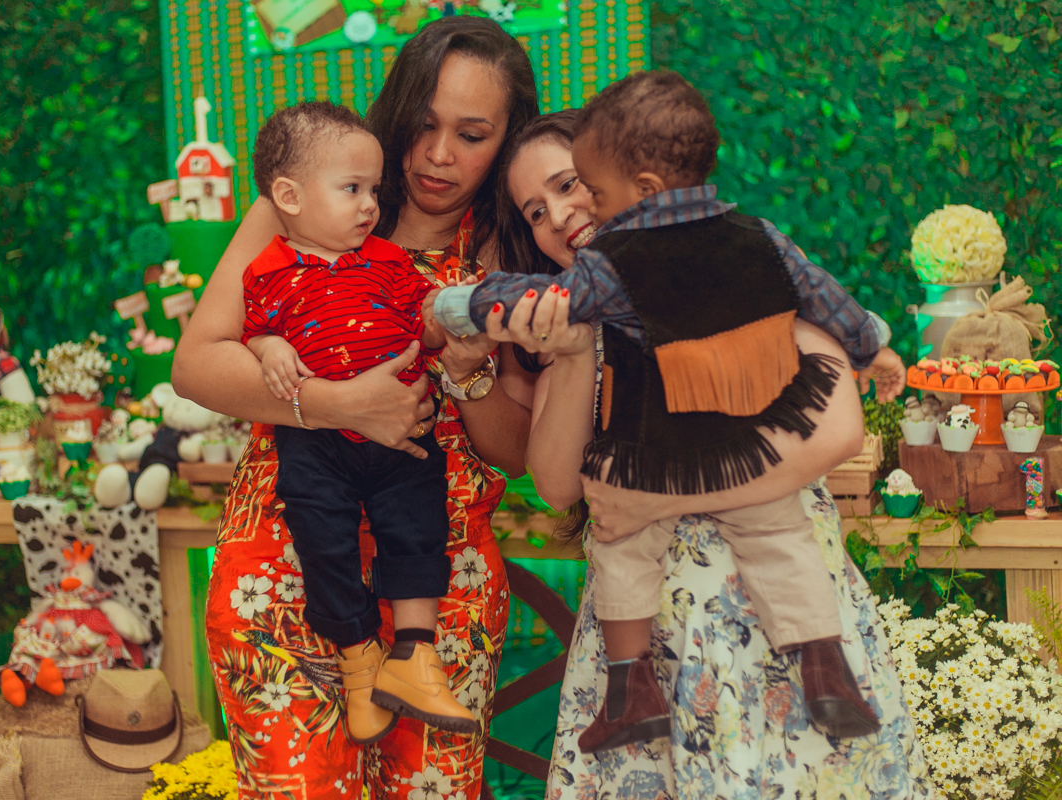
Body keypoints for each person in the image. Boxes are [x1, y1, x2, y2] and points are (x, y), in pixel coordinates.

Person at [430, 70, 905, 751]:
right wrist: (570, 351)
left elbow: (836, 433)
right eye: (534, 212)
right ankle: (653, 689)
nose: (559, 214)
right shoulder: (599, 312)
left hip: (756, 624)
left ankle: (765, 680)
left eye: (573, 185)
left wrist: (460, 303)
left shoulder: (705, 275)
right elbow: (557, 486)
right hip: (667, 621)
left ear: (634, 178)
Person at [172, 16, 541, 799]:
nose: (438, 155)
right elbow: (197, 363)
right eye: (424, 125)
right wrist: (335, 403)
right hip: (284, 568)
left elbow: (516, 453)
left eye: (472, 135)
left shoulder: (511, 248)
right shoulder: (299, 207)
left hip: (439, 586)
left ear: (507, 141)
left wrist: (469, 375)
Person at [241, 100, 476, 741]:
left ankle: (416, 655)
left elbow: (422, 325)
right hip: (316, 445)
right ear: (289, 196)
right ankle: (358, 658)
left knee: (420, 525)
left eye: (374, 190)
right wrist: (270, 348)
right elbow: (253, 331)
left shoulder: (390, 261)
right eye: (352, 189)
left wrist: (448, 319)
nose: (371, 205)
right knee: (322, 542)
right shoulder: (266, 271)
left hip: (403, 433)